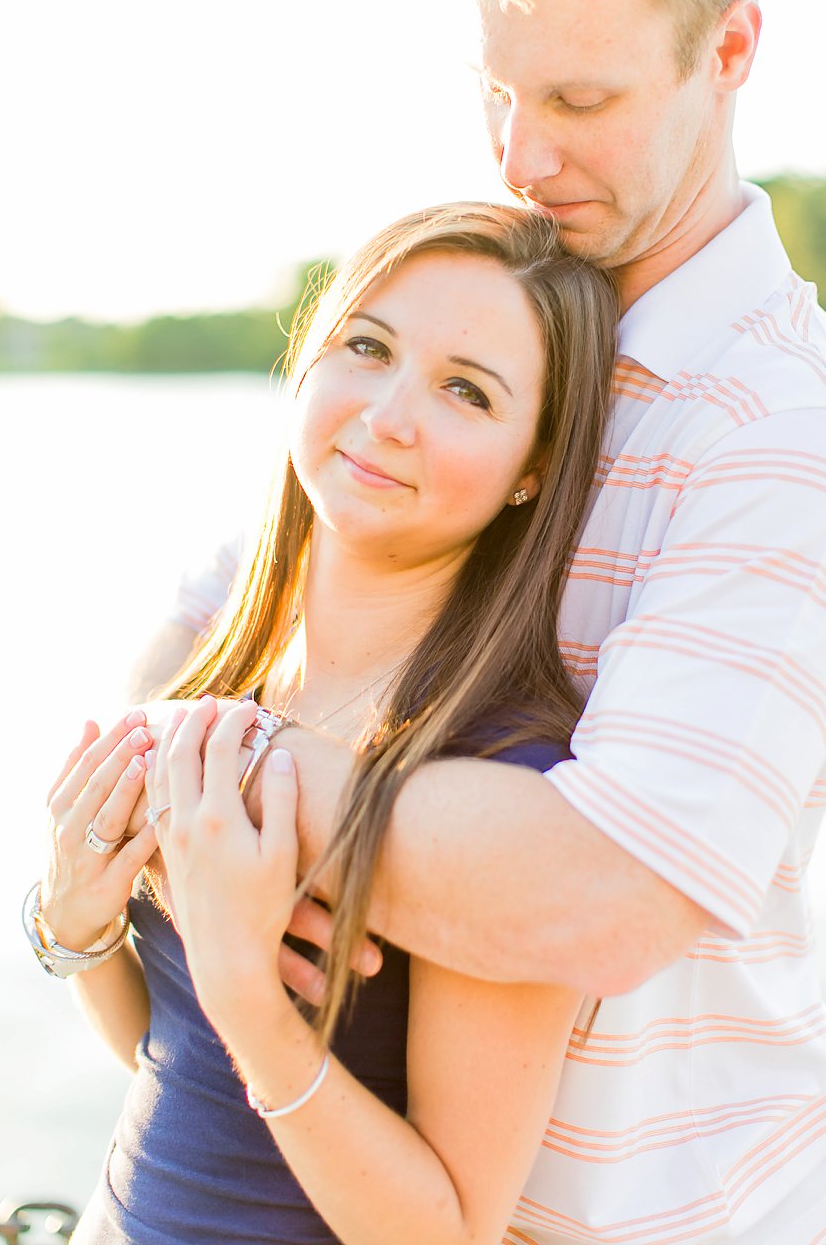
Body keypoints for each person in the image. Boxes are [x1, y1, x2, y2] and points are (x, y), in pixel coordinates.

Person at [124, 0, 826, 1244]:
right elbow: (208, 627)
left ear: (730, 49)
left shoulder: (791, 431)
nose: (521, 155)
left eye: (581, 101)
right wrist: (130, 823)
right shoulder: (477, 302)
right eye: (496, 87)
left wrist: (198, 781)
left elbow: (601, 896)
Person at [35, 205, 620, 1242]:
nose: (390, 414)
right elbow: (163, 1057)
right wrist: (77, 920)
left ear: (532, 467)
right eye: (368, 346)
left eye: (465, 391)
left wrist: (250, 999)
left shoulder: (501, 775)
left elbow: (448, 1230)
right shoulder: (226, 673)